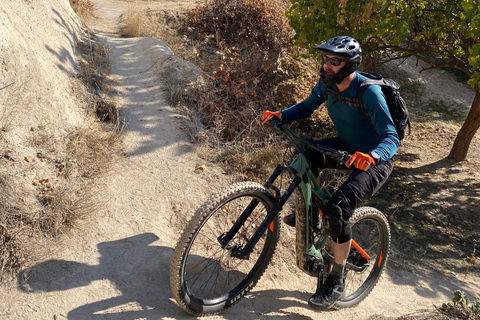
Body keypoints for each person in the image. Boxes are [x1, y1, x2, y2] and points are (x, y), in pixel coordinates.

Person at [261, 36, 399, 309]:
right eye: (326, 59)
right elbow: (306, 106)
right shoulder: (327, 84)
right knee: (305, 158)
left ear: (350, 65)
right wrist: (281, 115)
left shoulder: (367, 92)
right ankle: (310, 216)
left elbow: (391, 137)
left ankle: (336, 279)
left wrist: (372, 155)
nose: (327, 65)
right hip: (346, 147)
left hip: (374, 159)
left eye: (335, 61)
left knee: (338, 208)